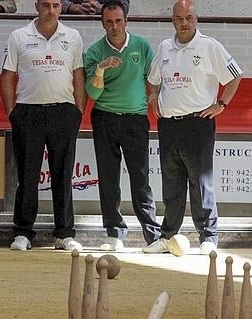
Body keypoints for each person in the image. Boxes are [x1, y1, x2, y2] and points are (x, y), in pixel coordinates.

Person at [144, 0, 242, 255]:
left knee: (201, 183)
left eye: (188, 17)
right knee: (171, 184)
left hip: (198, 124)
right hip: (168, 126)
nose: (184, 23)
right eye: (179, 18)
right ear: (172, 20)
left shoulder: (209, 46)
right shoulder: (165, 47)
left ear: (196, 19)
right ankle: (167, 236)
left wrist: (221, 104)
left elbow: (235, 76)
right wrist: (153, 98)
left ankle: (208, 237)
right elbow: (152, 80)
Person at [0, 0, 86, 251]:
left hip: (63, 113)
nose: (51, 10)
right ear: (37, 5)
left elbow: (78, 75)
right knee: (27, 176)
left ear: (61, 7)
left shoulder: (73, 36)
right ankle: (23, 232)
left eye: (56, 5)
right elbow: (7, 76)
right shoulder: (18, 36)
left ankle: (64, 233)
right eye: (46, 4)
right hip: (28, 114)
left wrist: (77, 112)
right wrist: (12, 113)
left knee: (62, 176)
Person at [84, 0, 161, 251]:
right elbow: (92, 94)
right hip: (104, 117)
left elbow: (152, 80)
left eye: (118, 21)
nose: (114, 26)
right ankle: (114, 234)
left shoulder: (141, 46)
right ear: (102, 23)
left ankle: (152, 235)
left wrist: (152, 101)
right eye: (109, 22)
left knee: (140, 178)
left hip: (136, 119)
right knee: (108, 178)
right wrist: (100, 71)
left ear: (126, 21)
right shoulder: (95, 51)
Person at [61, 0, 128, 15]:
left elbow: (124, 5)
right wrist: (70, 7)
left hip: (104, 26)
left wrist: (104, 8)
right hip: (69, 24)